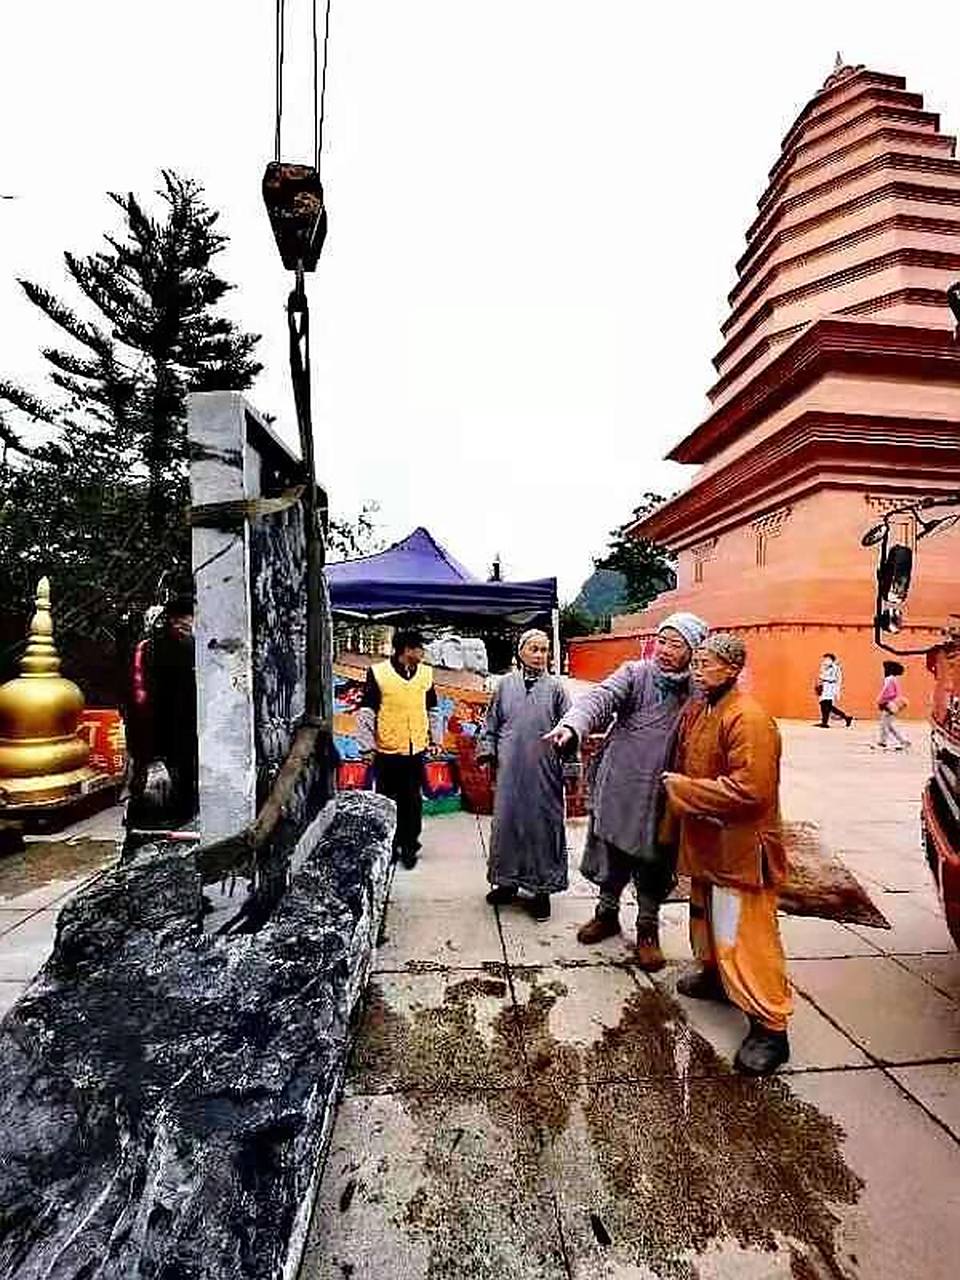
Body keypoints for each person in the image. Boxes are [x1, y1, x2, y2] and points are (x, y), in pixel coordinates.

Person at [544, 612, 709, 971]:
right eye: (662, 641)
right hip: (621, 782)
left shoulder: (698, 690)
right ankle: (606, 914)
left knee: (656, 860)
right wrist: (572, 726)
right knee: (612, 851)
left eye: (676, 644)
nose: (665, 650)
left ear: (693, 651)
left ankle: (648, 929)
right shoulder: (635, 674)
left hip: (665, 792)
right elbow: (598, 700)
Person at [662, 631, 792, 1077]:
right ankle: (717, 978)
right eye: (695, 663)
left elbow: (751, 791)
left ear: (733, 669)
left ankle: (771, 1027)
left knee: (746, 937)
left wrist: (683, 790)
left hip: (741, 849)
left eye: (706, 664)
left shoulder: (748, 718)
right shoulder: (705, 708)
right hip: (710, 844)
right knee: (708, 919)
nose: (697, 671)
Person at [476, 629, 571, 921]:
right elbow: (490, 724)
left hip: (545, 772)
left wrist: (570, 769)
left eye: (544, 650)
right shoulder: (505, 686)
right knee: (507, 825)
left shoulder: (556, 689)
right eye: (534, 649)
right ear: (521, 652)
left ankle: (542, 891)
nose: (540, 655)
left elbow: (572, 729)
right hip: (509, 771)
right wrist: (487, 753)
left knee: (542, 828)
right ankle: (507, 883)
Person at [356, 628, 441, 868]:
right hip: (387, 750)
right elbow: (367, 711)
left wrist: (436, 740)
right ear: (406, 650)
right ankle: (389, 846)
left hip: (415, 749)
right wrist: (367, 747)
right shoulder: (379, 673)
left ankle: (410, 846)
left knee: (412, 800)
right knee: (387, 799)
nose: (423, 653)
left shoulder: (425, 674)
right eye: (420, 648)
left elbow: (433, 710)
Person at [124, 589, 198, 835]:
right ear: (172, 620)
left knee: (183, 802)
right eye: (183, 621)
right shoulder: (147, 650)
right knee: (152, 800)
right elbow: (139, 701)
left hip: (187, 739)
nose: (188, 626)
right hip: (154, 739)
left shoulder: (197, 649)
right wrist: (150, 755)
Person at [876, 659, 910, 751]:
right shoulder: (893, 679)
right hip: (893, 704)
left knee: (885, 724)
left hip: (890, 704)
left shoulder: (890, 679)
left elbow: (888, 693)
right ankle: (902, 741)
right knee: (888, 724)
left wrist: (880, 701)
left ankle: (883, 742)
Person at [815, 653, 852, 728]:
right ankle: (824, 722)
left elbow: (835, 678)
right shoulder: (824, 667)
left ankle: (845, 717)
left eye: (827, 659)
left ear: (831, 660)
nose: (825, 661)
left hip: (830, 687)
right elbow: (821, 675)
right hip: (824, 687)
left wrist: (824, 678)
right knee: (823, 704)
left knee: (827, 705)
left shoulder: (835, 668)